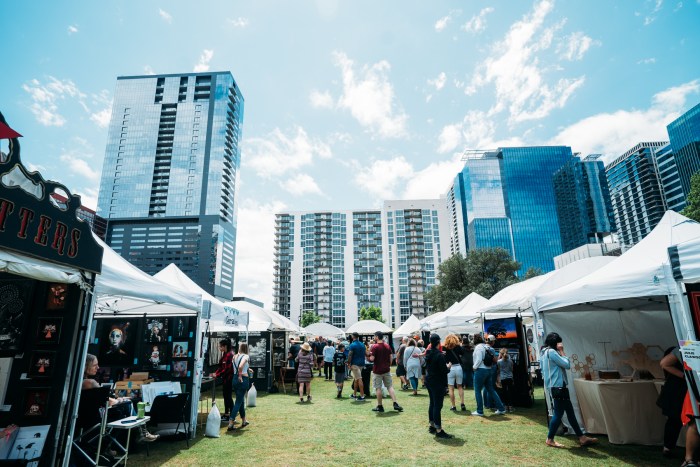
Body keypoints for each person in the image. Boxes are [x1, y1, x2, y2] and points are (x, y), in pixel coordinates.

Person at [82, 354, 158, 442]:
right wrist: (120, 400)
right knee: (128, 403)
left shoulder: (79, 382)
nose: (98, 367)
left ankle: (138, 434)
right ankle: (141, 432)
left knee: (125, 404)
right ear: (86, 366)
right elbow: (108, 402)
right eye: (95, 365)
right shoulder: (90, 383)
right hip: (96, 417)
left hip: (85, 418)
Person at [541, 332, 597, 448]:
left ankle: (581, 437)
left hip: (555, 387)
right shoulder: (552, 352)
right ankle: (550, 439)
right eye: (558, 342)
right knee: (558, 414)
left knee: (570, 413)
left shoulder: (544, 352)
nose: (560, 344)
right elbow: (566, 364)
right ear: (555, 343)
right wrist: (562, 351)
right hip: (559, 387)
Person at [658, 346, 686, 458]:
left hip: (682, 388)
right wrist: (685, 376)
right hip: (678, 390)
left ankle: (668, 447)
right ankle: (668, 447)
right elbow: (664, 363)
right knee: (675, 419)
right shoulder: (686, 346)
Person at [425, 333, 453, 439]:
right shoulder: (439, 355)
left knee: (432, 403)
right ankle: (438, 429)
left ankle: (432, 425)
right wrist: (448, 366)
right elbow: (444, 370)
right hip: (437, 382)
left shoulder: (429, 352)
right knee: (437, 405)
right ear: (438, 342)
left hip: (429, 380)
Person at [472, 333, 506, 416]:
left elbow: (479, 359)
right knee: (491, 389)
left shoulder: (478, 347)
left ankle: (480, 410)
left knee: (477, 390)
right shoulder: (486, 346)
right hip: (488, 370)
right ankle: (501, 408)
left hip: (480, 370)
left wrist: (474, 367)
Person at [369, 331, 403, 413]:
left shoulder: (375, 347)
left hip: (377, 370)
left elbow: (372, 359)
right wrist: (388, 365)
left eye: (374, 336)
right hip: (386, 369)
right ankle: (395, 403)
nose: (374, 338)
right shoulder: (387, 346)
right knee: (389, 386)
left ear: (377, 337)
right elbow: (391, 357)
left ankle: (380, 406)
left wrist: (368, 356)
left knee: (378, 387)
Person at [227, 343, 250, 431]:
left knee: (241, 400)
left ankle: (244, 420)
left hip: (234, 379)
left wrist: (248, 369)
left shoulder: (234, 356)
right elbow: (240, 366)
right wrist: (241, 376)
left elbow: (238, 367)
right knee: (238, 401)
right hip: (242, 379)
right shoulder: (246, 356)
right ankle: (231, 422)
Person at [212, 339, 234, 422]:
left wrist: (217, 374)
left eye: (220, 346)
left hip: (229, 379)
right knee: (226, 396)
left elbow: (227, 369)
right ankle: (226, 414)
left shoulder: (230, 355)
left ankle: (231, 415)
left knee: (228, 397)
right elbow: (221, 366)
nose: (219, 348)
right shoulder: (225, 354)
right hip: (225, 379)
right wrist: (216, 373)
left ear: (225, 346)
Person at [443, 334, 466, 412]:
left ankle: (453, 405)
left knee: (451, 388)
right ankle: (462, 403)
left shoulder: (444, 347)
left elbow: (444, 358)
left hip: (450, 368)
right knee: (460, 386)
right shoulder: (458, 346)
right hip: (458, 367)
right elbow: (462, 353)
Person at [347, 332, 366, 401]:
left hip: (355, 364)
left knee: (359, 378)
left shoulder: (352, 345)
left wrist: (348, 363)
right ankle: (354, 394)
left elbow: (350, 355)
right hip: (362, 363)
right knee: (356, 379)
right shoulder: (362, 344)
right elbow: (366, 353)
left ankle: (362, 396)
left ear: (353, 336)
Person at [483, 335, 499, 410]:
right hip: (492, 369)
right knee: (491, 387)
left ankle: (485, 404)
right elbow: (495, 360)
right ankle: (491, 404)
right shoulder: (491, 349)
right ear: (492, 341)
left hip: (484, 369)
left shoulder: (482, 347)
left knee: (485, 387)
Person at [497, 348, 515, 413]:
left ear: (501, 354)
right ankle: (511, 407)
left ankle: (505, 406)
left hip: (503, 378)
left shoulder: (499, 361)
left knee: (504, 392)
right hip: (510, 377)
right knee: (510, 392)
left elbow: (499, 370)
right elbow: (512, 370)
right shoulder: (510, 361)